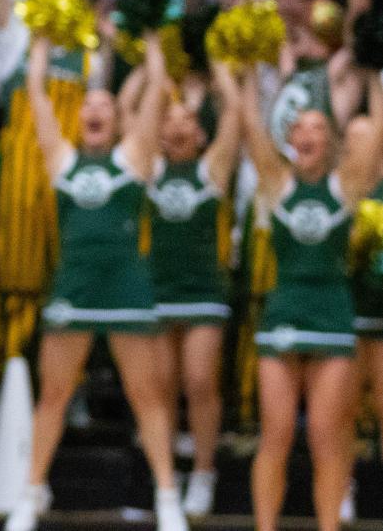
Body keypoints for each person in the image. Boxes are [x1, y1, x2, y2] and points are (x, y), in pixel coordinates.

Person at [6, 35, 184, 531]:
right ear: (79, 116)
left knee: (146, 394)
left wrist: (150, 47)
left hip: (127, 285)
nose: (96, 109)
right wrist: (39, 44)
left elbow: (152, 103)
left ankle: (168, 499)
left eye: (105, 103)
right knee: (54, 394)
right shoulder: (61, 160)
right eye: (88, 103)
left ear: (117, 118)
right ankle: (30, 493)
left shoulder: (134, 159)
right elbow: (38, 98)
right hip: (75, 286)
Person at [227, 54, 382, 531]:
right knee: (274, 435)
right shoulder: (276, 184)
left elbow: (378, 130)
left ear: (330, 140)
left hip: (333, 316)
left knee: (326, 437)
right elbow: (251, 123)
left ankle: (329, 527)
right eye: (300, 126)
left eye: (319, 125)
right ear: (291, 141)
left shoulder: (347, 186)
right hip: (284, 312)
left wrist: (374, 70)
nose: (309, 131)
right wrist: (248, 70)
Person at [143, 59, 240, 519]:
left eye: (188, 118)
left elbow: (237, 118)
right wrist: (154, 64)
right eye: (171, 117)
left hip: (203, 289)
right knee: (160, 388)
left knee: (200, 382)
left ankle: (203, 472)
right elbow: (131, 112)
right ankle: (168, 475)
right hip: (160, 290)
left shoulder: (211, 171)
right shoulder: (150, 169)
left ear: (201, 134)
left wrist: (222, 68)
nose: (178, 122)